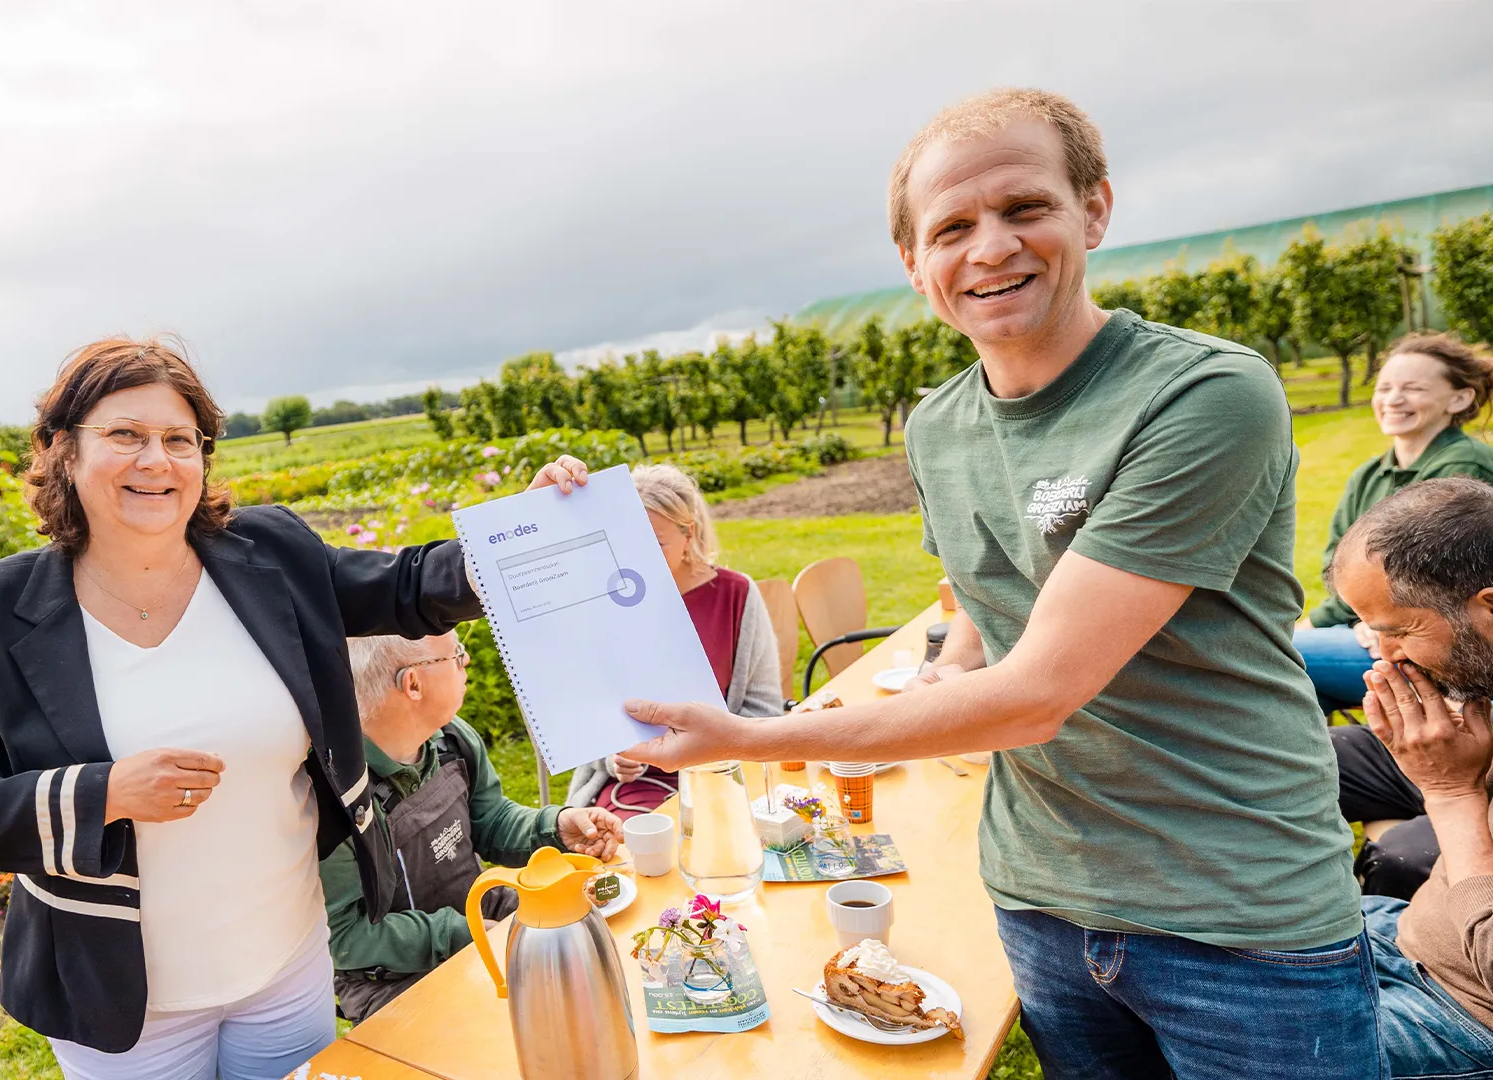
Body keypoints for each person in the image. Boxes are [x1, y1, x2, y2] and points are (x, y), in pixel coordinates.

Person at [620, 88, 1378, 1079]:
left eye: (1024, 209)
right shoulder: (939, 425)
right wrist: (955, 657)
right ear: (914, 264)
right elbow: (989, 587)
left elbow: (1037, 698)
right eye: (953, 228)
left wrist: (754, 740)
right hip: (1043, 899)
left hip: (1239, 912)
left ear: (1093, 210)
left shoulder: (1203, 396)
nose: (990, 249)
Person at [0, 335, 594, 1080]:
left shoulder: (266, 556)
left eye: (180, 439)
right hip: (130, 1008)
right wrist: (106, 792)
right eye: (125, 436)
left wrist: (515, 537)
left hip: (284, 968)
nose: (156, 461)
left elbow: (405, 586)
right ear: (62, 451)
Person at [321, 632, 623, 1022]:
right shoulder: (340, 799)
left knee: (595, 950)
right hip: (393, 980)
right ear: (413, 683)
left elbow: (490, 821)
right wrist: (464, 934)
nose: (466, 662)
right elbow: (345, 937)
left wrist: (555, 827)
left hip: (483, 916)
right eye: (455, 655)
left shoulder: (452, 740)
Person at [1327, 477, 1493, 1078]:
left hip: (1460, 1017)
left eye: (1400, 630)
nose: (1385, 656)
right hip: (1408, 935)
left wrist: (1449, 790)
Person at [563, 463, 784, 818]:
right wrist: (614, 756)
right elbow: (586, 715)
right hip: (633, 791)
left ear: (688, 535)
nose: (638, 556)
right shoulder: (603, 600)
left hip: (725, 777)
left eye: (656, 542)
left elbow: (764, 710)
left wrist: (709, 755)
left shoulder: (735, 594)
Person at [1298, 332, 1493, 715]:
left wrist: (1317, 627)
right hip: (1365, 628)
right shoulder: (1370, 474)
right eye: (1384, 387)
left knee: (1278, 658)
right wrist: (1335, 620)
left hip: (1427, 642)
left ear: (1460, 398)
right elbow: (1336, 565)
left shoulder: (1465, 468)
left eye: (1413, 388)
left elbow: (1432, 586)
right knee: (1296, 692)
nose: (1393, 399)